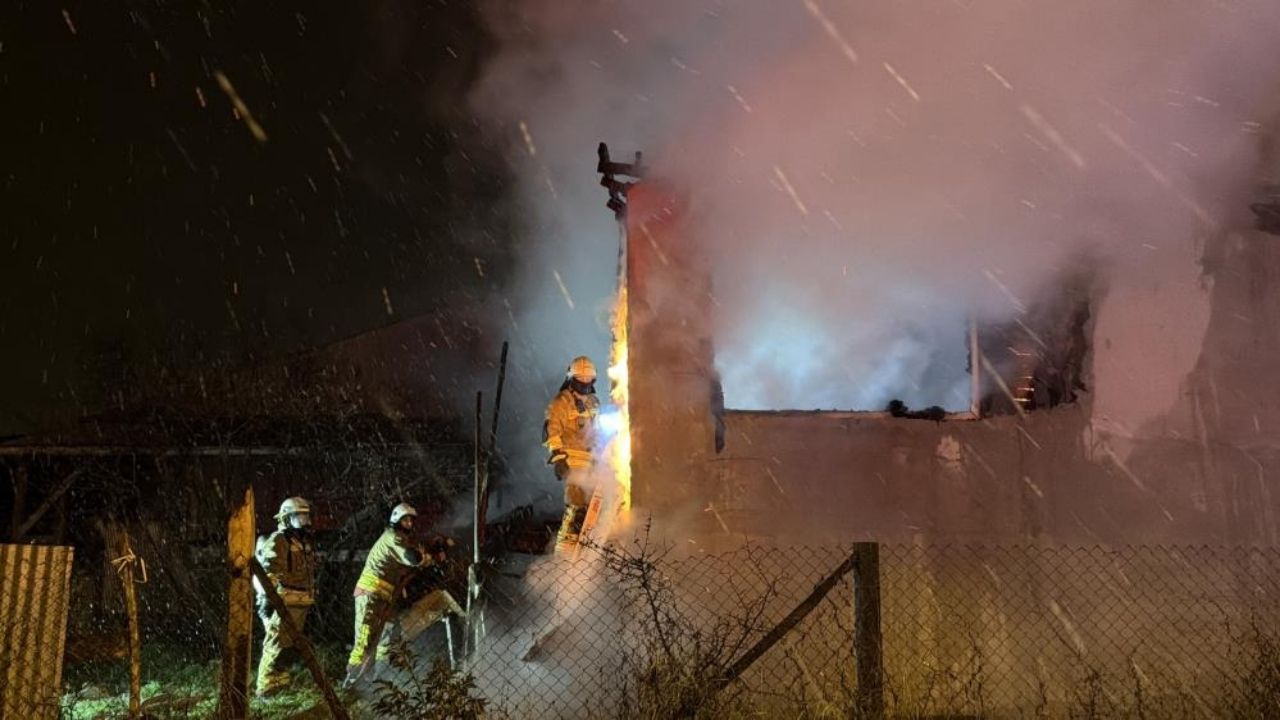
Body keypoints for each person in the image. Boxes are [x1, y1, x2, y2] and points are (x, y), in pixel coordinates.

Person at [343, 502, 443, 685]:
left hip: (383, 595)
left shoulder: (400, 540)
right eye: (405, 520)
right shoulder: (393, 538)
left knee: (387, 633)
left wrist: (430, 551)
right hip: (371, 592)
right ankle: (352, 676)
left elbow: (412, 560)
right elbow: (413, 558)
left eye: (411, 521)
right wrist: (431, 557)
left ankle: (371, 675)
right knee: (366, 633)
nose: (409, 524)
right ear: (396, 520)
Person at [255, 496, 317, 697]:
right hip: (284, 601)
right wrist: (268, 601)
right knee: (275, 643)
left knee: (289, 644)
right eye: (300, 516)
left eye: (306, 517)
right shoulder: (279, 540)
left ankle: (280, 682)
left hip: (300, 600)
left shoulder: (303, 542)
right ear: (287, 518)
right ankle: (265, 688)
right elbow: (270, 571)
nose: (304, 521)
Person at [543, 355, 601, 552]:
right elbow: (551, 432)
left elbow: (597, 430)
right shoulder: (561, 402)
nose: (584, 384)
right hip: (572, 463)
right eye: (580, 380)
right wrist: (559, 459)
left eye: (588, 380)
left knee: (592, 509)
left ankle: (586, 546)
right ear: (572, 379)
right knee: (575, 507)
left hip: (591, 462)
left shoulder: (593, 402)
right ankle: (566, 552)